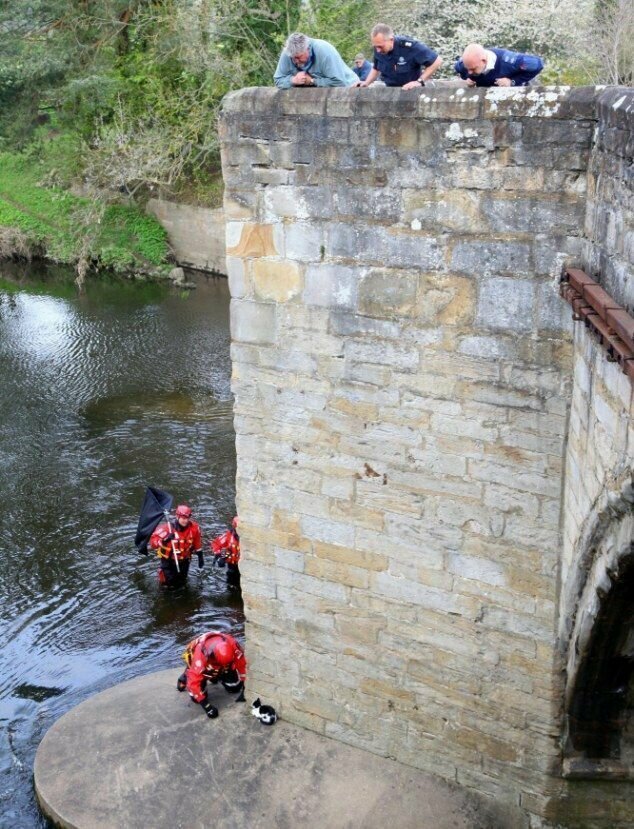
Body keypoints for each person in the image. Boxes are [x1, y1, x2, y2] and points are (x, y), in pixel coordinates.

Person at [177, 631, 247, 719]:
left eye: (226, 665)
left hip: (220, 666)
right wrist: (207, 707)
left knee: (235, 688)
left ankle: (217, 676)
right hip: (203, 668)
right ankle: (185, 675)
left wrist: (245, 689)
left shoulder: (233, 644)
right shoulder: (199, 656)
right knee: (197, 700)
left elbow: (242, 666)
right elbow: (194, 685)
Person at [358, 23, 442, 89]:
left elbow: (437, 61)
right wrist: (366, 83)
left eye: (380, 46)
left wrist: (419, 81)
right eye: (375, 46)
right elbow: (376, 68)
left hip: (411, 92)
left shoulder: (409, 47)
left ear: (391, 40)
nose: (378, 50)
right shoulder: (378, 48)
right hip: (391, 92)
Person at [274, 31, 358, 88]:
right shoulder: (288, 53)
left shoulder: (324, 50)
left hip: (350, 87)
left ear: (307, 49)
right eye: (292, 58)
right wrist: (293, 80)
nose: (295, 61)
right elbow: (278, 80)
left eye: (298, 57)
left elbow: (339, 83)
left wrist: (312, 81)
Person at [149, 504, 202, 586]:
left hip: (185, 560)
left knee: (182, 581)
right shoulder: (167, 528)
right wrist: (164, 540)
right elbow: (153, 543)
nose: (185, 521)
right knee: (168, 584)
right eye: (183, 518)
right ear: (177, 517)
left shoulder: (194, 528)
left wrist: (200, 556)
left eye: (187, 518)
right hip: (168, 562)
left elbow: (197, 542)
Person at [454, 43, 544, 87]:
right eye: (467, 69)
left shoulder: (509, 61)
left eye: (473, 69)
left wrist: (512, 81)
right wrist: (467, 79)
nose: (469, 72)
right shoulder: (463, 65)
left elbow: (537, 64)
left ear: (484, 61)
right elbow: (459, 70)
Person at [211, 516, 241, 590]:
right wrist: (219, 555)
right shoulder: (229, 535)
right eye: (237, 529)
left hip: (243, 566)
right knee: (231, 584)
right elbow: (216, 543)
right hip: (232, 565)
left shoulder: (247, 539)